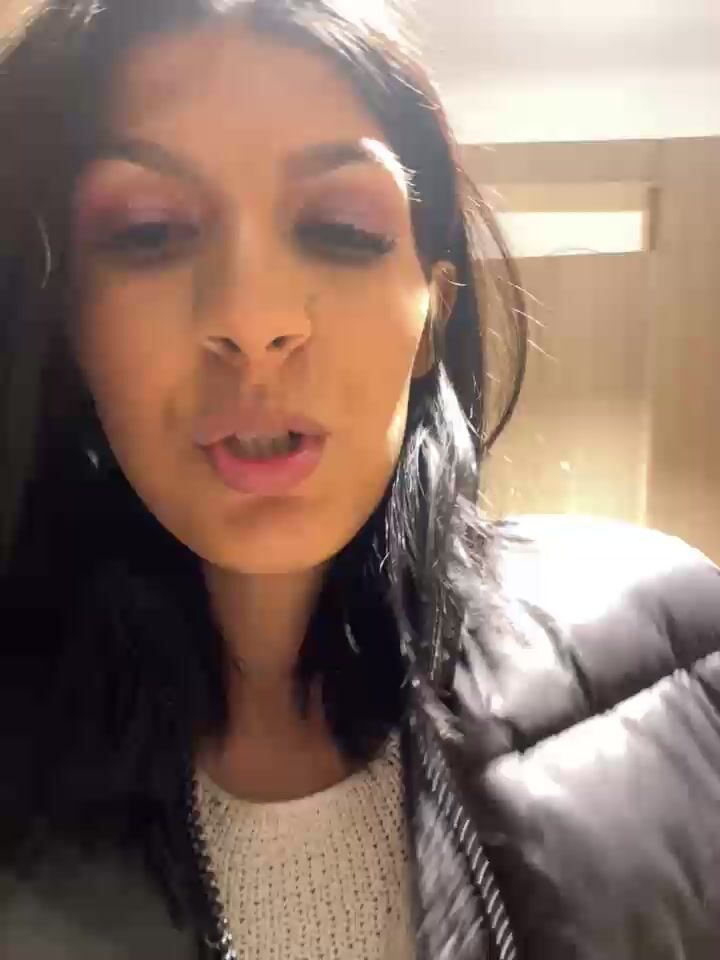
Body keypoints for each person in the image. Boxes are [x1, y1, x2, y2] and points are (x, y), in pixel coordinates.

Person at [0, 1, 719, 958]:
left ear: (431, 317)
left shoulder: (684, 657)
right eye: (148, 231)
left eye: (339, 228)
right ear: (66, 328)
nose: (253, 319)